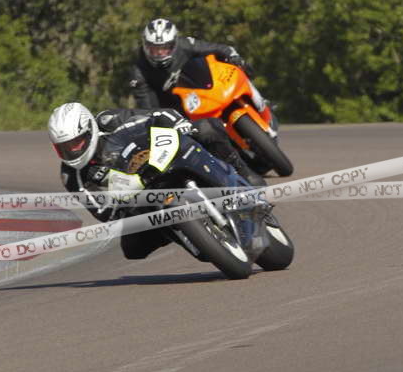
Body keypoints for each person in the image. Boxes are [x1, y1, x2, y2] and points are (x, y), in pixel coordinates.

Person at [48, 102, 255, 260]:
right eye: (64, 147)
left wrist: (179, 125)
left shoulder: (111, 121)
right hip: (141, 195)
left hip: (163, 156)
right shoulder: (71, 175)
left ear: (89, 130)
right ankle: (182, 231)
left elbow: (158, 114)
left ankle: (244, 175)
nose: (72, 151)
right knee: (133, 249)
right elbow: (103, 213)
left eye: (76, 143)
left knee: (207, 127)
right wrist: (121, 202)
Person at [129, 18, 268, 113]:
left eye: (165, 48)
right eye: (154, 48)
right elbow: (147, 108)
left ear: (174, 44)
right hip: (177, 110)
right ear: (145, 46)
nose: (160, 53)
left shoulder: (185, 45)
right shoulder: (139, 72)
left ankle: (260, 101)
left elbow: (219, 48)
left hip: (205, 88)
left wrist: (234, 57)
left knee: (241, 66)